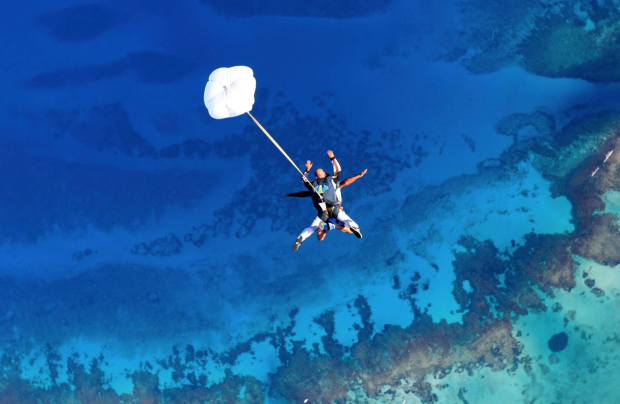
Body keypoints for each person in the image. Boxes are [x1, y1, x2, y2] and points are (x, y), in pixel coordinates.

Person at [291, 150, 364, 251]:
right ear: (325, 175)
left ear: (316, 177)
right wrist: (332, 158)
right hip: (334, 208)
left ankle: (301, 238)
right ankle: (354, 227)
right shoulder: (332, 180)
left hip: (323, 211)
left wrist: (307, 170)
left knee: (313, 228)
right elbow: (338, 170)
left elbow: (304, 179)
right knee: (347, 223)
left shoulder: (312, 185)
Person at [285, 169, 367, 241]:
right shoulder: (327, 185)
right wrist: (358, 176)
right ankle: (332, 226)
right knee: (322, 237)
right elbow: (307, 193)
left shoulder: (333, 185)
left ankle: (331, 226)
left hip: (327, 211)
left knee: (324, 236)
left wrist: (358, 176)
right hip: (332, 210)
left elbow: (345, 182)